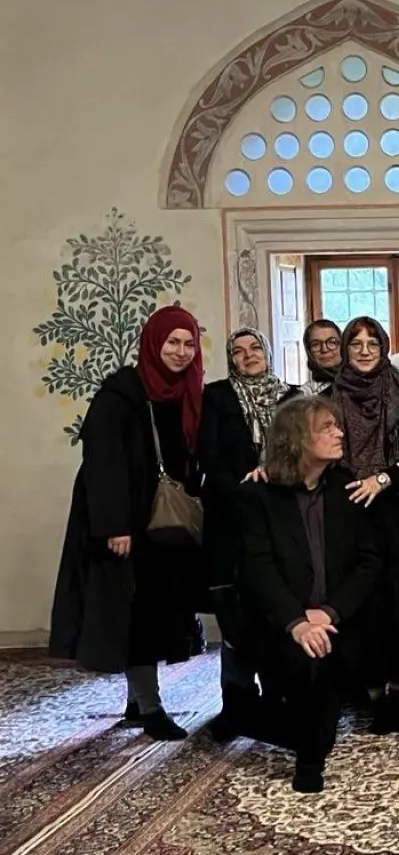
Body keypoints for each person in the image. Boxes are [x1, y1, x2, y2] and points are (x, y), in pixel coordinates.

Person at [50, 305, 206, 741]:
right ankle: (150, 707)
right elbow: (103, 465)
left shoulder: (186, 392)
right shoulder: (120, 395)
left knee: (151, 611)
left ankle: (138, 702)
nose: (181, 352)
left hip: (165, 526)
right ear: (153, 343)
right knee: (136, 615)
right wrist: (114, 526)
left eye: (189, 344)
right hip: (128, 526)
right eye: (172, 342)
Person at [238, 395, 382, 794]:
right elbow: (257, 569)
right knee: (313, 660)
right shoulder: (258, 495)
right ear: (298, 438)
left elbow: (369, 561)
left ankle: (303, 743)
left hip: (339, 617)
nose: (340, 434)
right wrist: (298, 622)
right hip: (280, 621)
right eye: (327, 428)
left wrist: (330, 613)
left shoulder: (345, 487)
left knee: (328, 658)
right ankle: (309, 761)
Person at [327, 316, 399, 732]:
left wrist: (383, 479)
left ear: (383, 347)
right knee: (361, 611)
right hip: (347, 517)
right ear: (345, 349)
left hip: (397, 516)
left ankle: (397, 694)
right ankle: (373, 697)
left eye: (372, 343)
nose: (363, 351)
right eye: (355, 344)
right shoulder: (326, 399)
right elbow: (316, 455)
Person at [199, 328, 295, 741]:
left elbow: (301, 452)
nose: (248, 355)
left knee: (276, 611)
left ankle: (277, 702)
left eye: (255, 348)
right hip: (232, 519)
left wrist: (274, 478)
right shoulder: (217, 396)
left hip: (281, 519)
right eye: (238, 351)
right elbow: (208, 455)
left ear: (268, 352)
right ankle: (236, 704)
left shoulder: (291, 396)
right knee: (235, 616)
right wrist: (245, 486)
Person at [301, 319, 343, 396]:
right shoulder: (305, 394)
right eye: (316, 344)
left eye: (332, 342)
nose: (324, 350)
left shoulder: (362, 383)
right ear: (308, 351)